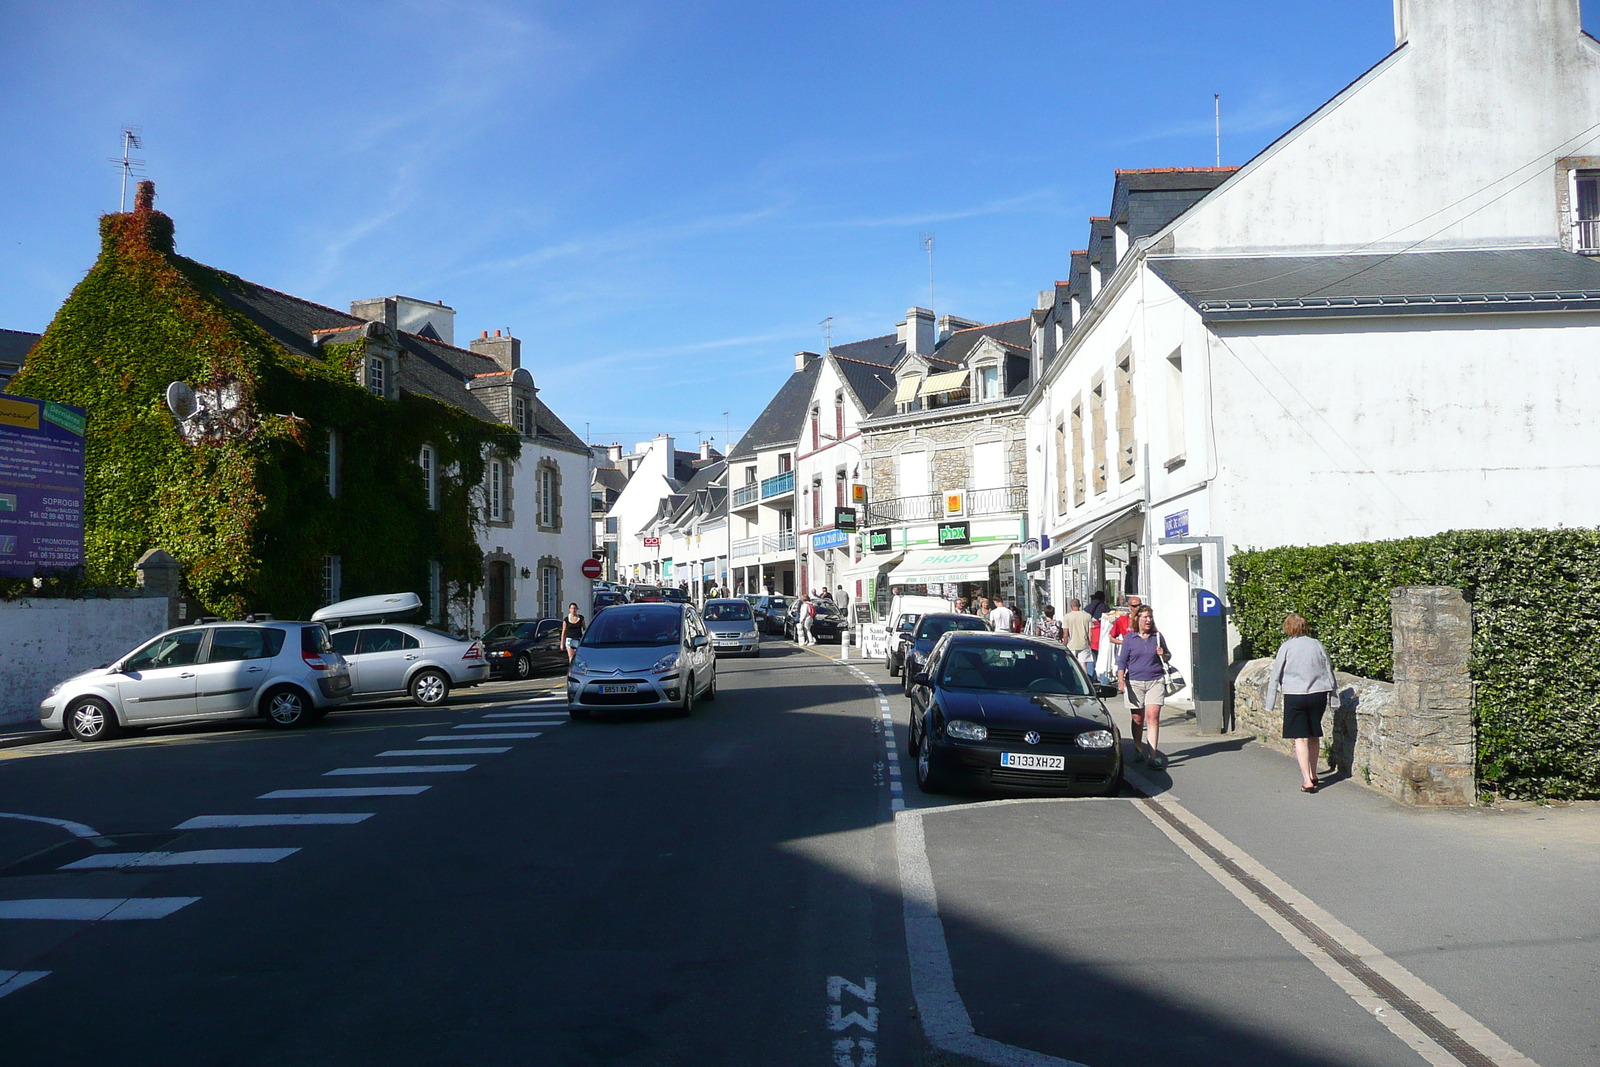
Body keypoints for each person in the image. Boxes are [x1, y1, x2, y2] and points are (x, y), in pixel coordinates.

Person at [1264, 613, 1338, 793]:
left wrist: (1270, 703)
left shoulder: (1286, 647)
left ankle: (1307, 780)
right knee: (1314, 735)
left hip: (1295, 695)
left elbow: (1276, 675)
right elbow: (1328, 670)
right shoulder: (1316, 644)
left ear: (1288, 628)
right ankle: (1313, 772)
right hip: (1317, 694)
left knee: (1301, 737)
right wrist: (1334, 698)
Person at [1117, 605, 1171, 768]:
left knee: (1152, 717)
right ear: (1137, 619)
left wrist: (1164, 654)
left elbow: (1168, 656)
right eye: (1145, 617)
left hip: (1155, 680)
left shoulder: (1157, 636)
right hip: (1134, 682)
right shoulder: (1129, 638)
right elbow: (1121, 661)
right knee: (1137, 718)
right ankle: (1138, 747)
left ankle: (1153, 756)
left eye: (1150, 617)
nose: (1148, 620)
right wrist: (1120, 680)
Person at [1062, 598, 1093, 673]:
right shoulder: (1087, 616)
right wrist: (1089, 643)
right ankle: (1085, 682)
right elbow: (1090, 633)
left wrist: (1064, 644)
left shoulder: (1067, 617)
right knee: (1083, 665)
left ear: (1071, 606)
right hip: (1083, 643)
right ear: (1080, 605)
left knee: (1071, 665)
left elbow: (1065, 634)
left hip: (1071, 644)